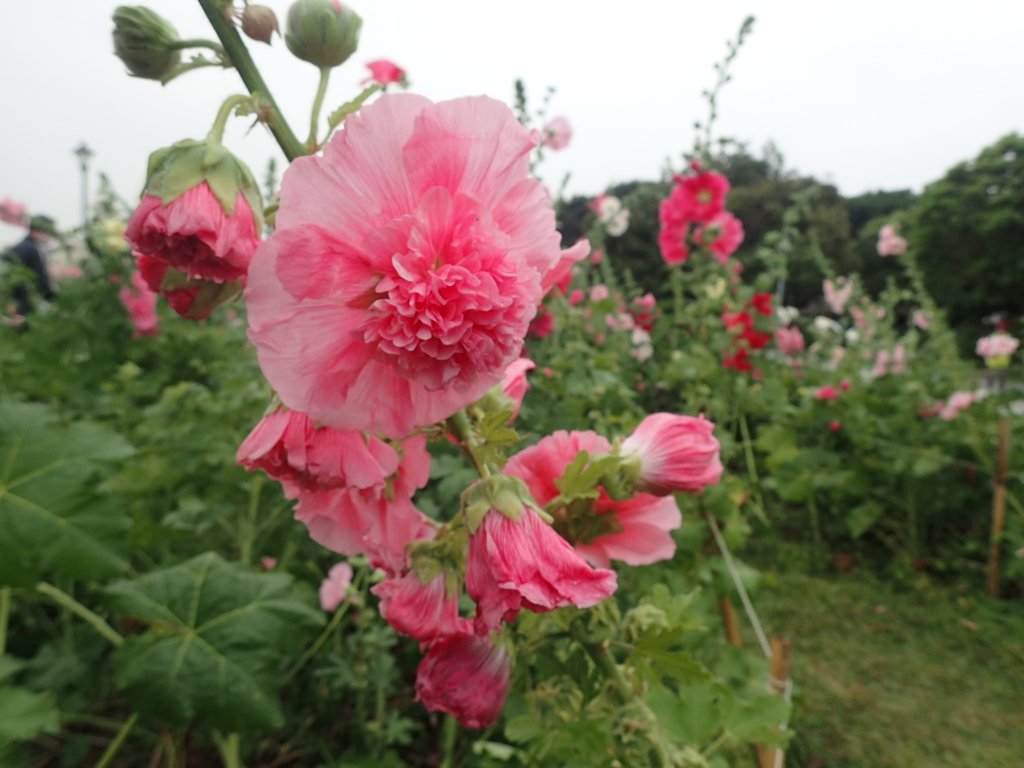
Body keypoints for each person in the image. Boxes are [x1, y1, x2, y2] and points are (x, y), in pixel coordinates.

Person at [5, 214, 57, 316]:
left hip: (20, 302)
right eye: (47, 231)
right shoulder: (30, 248)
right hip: (25, 303)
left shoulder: (23, 246)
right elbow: (39, 277)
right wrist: (50, 295)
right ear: (38, 230)